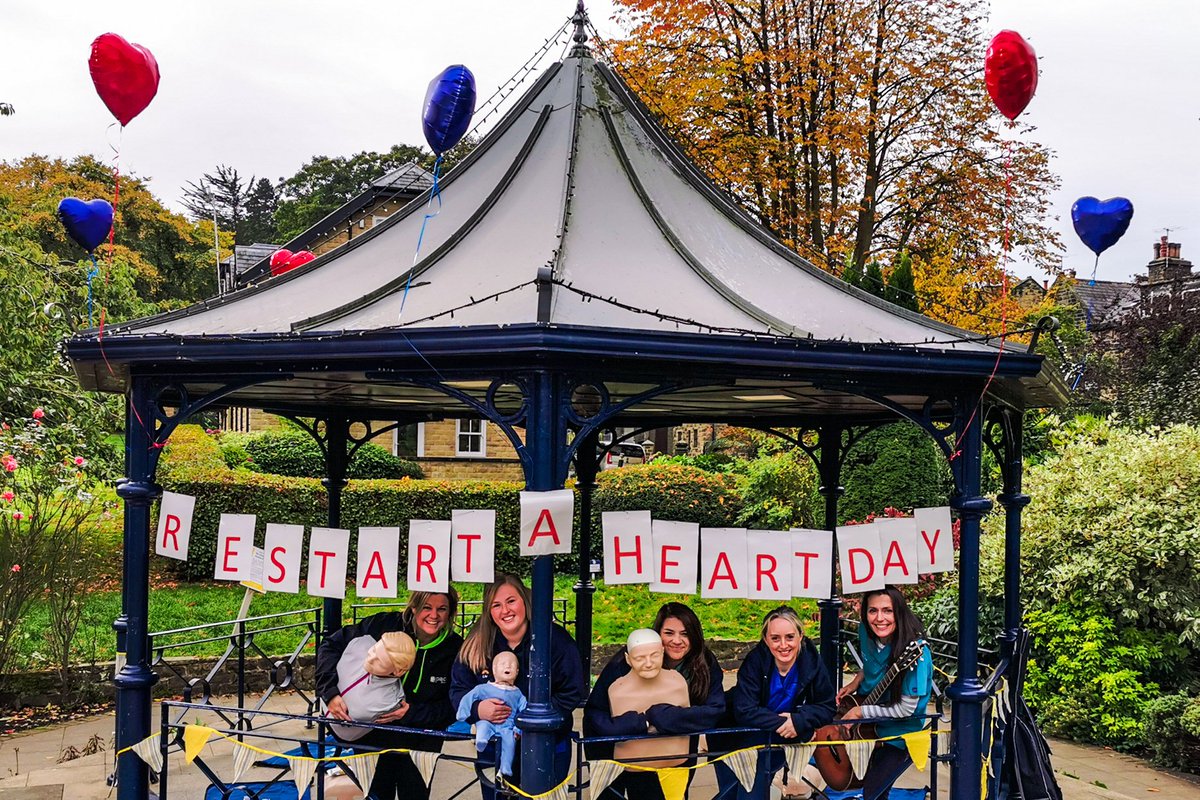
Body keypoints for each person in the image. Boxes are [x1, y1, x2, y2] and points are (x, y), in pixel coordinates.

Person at [317, 589, 463, 800]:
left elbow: (453, 706)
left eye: (442, 609)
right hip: (370, 736)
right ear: (414, 607)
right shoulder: (383, 625)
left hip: (420, 746)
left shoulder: (456, 649)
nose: (434, 615)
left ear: (451, 613)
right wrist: (330, 693)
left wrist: (411, 713)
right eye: (426, 608)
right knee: (375, 796)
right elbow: (330, 645)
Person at [450, 574, 587, 798]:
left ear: (525, 600)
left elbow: (572, 691)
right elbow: (458, 690)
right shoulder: (476, 644)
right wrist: (478, 710)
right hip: (493, 748)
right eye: (496, 605)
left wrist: (528, 720)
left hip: (548, 746)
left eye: (511, 601)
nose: (505, 610)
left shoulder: (556, 641)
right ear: (489, 611)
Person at [584, 602, 726, 799]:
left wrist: (661, 717)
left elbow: (714, 710)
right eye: (669, 633)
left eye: (685, 634)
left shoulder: (705, 663)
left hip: (678, 753)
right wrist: (636, 724)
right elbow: (595, 712)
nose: (677, 640)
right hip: (625, 754)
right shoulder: (624, 665)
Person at [713, 606, 836, 800]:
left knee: (752, 793)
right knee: (731, 793)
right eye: (775, 638)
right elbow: (744, 710)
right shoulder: (755, 661)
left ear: (800, 636)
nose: (783, 644)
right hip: (737, 737)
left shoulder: (812, 661)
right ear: (765, 639)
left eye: (789, 637)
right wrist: (788, 724)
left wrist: (800, 720)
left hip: (777, 739)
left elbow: (827, 706)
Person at [830, 586, 934, 800]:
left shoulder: (917, 653)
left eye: (888, 610)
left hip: (899, 732)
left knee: (874, 793)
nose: (880, 618)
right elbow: (871, 664)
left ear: (899, 612)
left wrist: (860, 713)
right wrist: (856, 681)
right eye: (873, 611)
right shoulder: (865, 632)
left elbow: (908, 708)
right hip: (867, 723)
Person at [329, 631, 416, 741]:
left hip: (345, 734)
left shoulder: (388, 701)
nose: (370, 659)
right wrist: (328, 693)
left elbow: (359, 712)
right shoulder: (360, 643)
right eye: (374, 649)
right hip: (324, 709)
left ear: (397, 671)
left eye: (379, 661)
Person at [455, 651, 528, 776]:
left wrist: (518, 728)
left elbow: (524, 710)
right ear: (494, 670)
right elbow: (468, 697)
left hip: (507, 726)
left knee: (509, 743)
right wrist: (465, 712)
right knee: (483, 725)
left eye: (512, 664)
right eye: (503, 664)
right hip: (487, 721)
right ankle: (481, 740)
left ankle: (506, 767)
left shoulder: (518, 693)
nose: (508, 666)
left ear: (517, 672)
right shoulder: (484, 688)